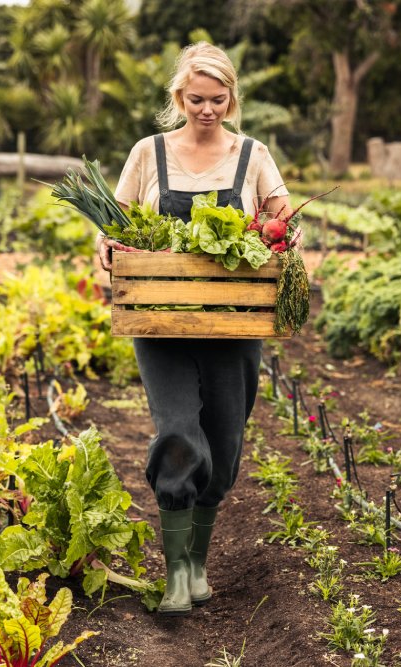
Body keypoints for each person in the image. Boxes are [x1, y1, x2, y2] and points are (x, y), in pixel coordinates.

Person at [97, 41, 292, 616]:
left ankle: (200, 560)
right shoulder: (147, 153)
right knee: (179, 433)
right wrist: (107, 249)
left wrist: (286, 234)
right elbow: (111, 228)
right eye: (195, 99)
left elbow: (281, 215)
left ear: (232, 98)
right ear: (179, 98)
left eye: (217, 99)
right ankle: (176, 573)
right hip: (161, 321)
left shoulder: (253, 156)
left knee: (226, 445)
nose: (207, 109)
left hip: (235, 325)